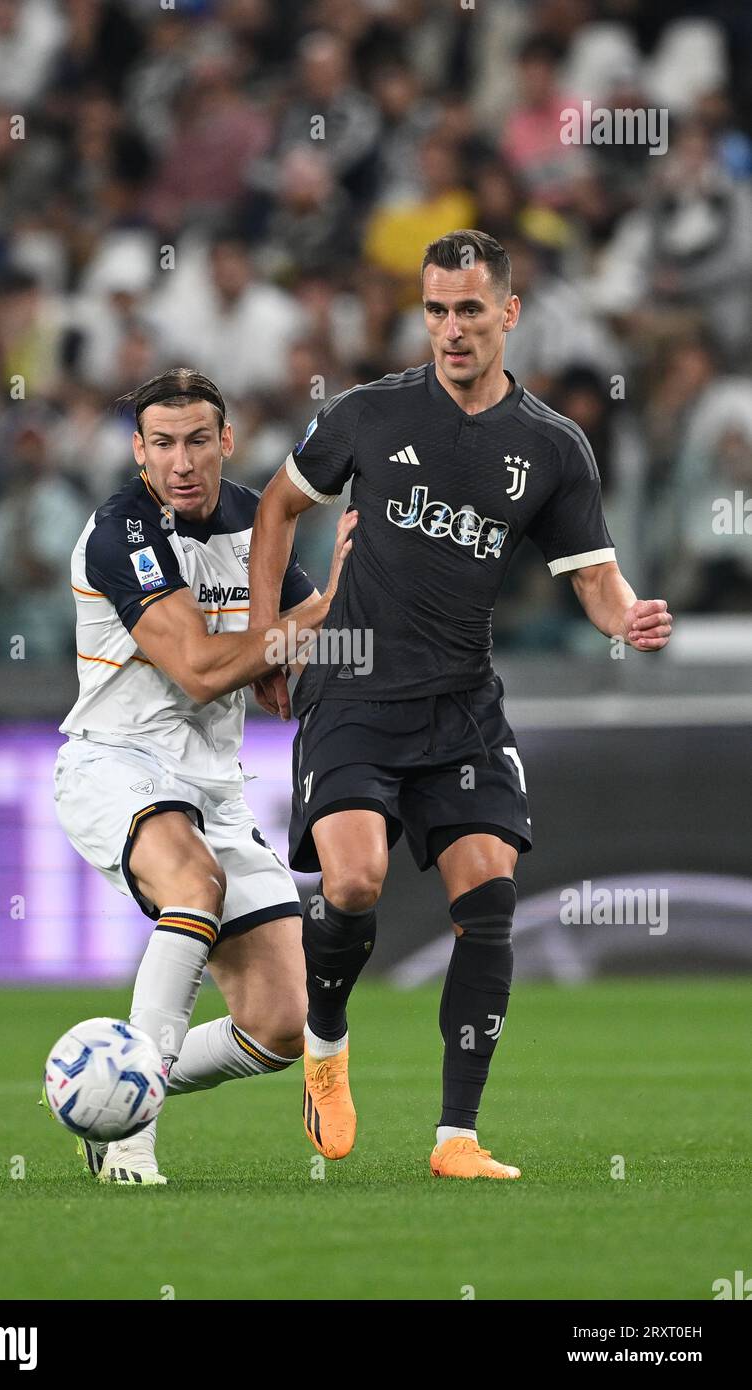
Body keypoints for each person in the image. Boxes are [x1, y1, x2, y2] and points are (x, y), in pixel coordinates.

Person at [247, 230, 673, 1180]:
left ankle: (457, 1139)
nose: (450, 329)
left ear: (508, 314)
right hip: (354, 686)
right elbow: (278, 505)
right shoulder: (367, 412)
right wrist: (274, 634)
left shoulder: (553, 446)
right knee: (353, 883)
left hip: (461, 707)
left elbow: (593, 575)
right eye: (435, 310)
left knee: (488, 901)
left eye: (469, 310)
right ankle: (323, 1043)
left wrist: (626, 617)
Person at [51, 367, 354, 1184]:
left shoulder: (260, 522)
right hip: (115, 763)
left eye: (196, 441)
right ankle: (128, 1146)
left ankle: (105, 1091)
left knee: (282, 1025)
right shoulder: (122, 530)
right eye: (161, 443)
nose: (180, 462)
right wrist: (318, 611)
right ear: (139, 451)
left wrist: (311, 646)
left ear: (227, 440)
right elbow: (196, 668)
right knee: (194, 883)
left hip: (214, 787)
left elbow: (287, 656)